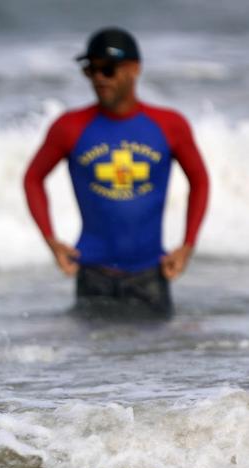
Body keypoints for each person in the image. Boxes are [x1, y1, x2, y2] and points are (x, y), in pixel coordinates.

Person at [23, 27, 209, 317]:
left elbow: (200, 180)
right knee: (94, 360)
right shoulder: (69, 127)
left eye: (107, 69)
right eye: (90, 70)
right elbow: (33, 178)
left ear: (134, 69)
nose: (98, 78)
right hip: (93, 273)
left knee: (159, 357)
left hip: (150, 275)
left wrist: (187, 246)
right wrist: (51, 241)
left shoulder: (169, 125)